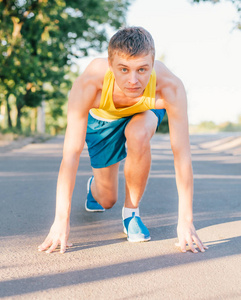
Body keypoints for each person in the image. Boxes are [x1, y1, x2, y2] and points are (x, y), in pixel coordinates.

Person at [38, 26, 207, 254]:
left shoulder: (169, 86)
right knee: (107, 199)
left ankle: (132, 214)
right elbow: (71, 154)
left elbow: (182, 155)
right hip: (102, 120)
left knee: (138, 135)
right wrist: (60, 220)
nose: (133, 80)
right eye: (124, 69)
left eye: (142, 69)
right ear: (110, 64)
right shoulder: (90, 82)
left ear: (152, 63)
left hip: (143, 112)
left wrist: (186, 220)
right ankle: (95, 187)